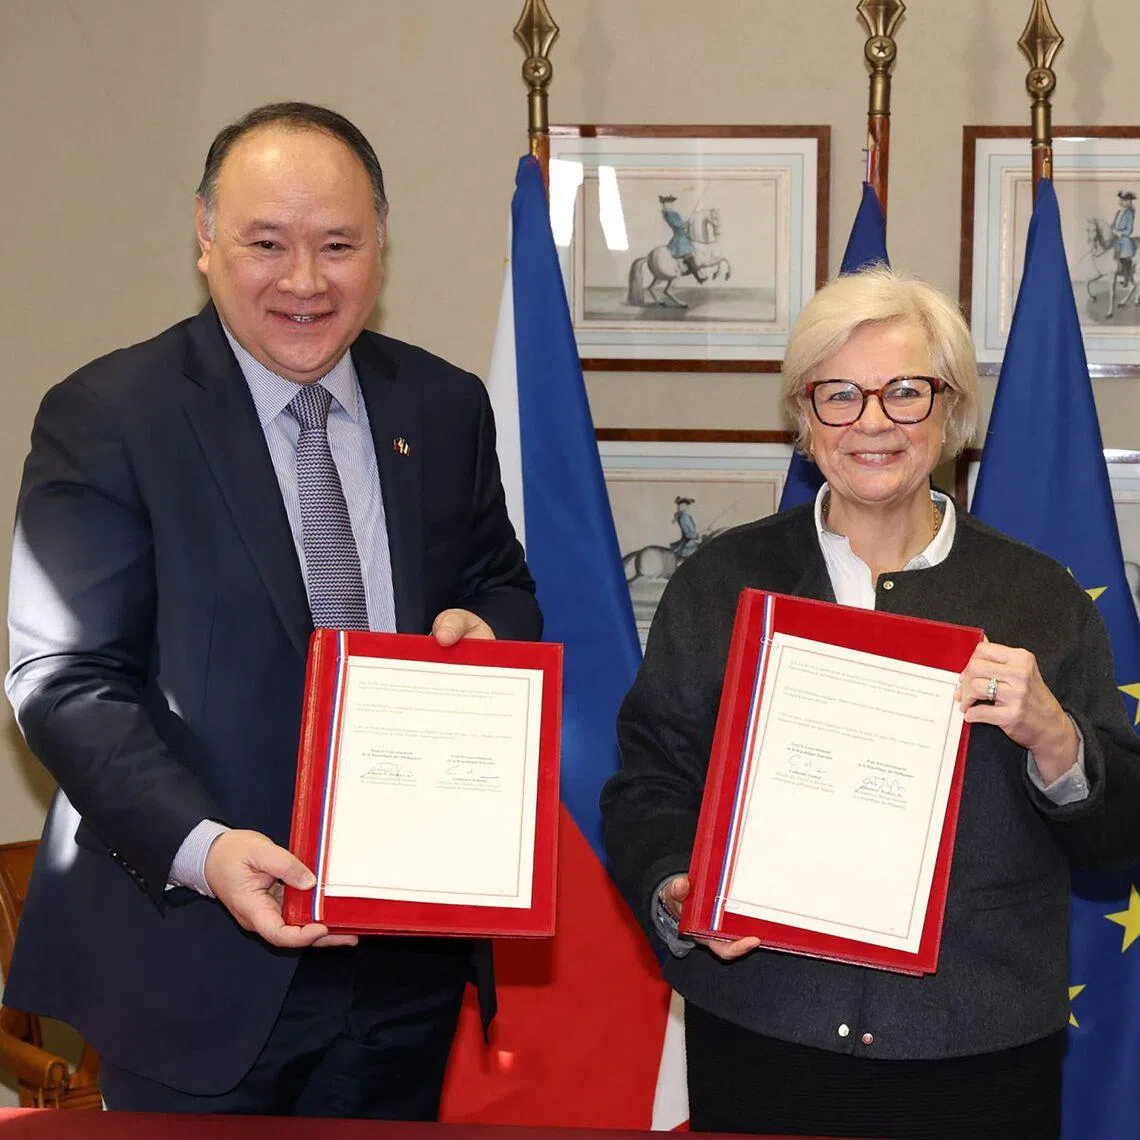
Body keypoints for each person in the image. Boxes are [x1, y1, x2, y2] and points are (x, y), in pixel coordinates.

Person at [4, 102, 541, 1118]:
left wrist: (489, 634)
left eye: (338, 245)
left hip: (401, 970)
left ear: (381, 244)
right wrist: (205, 849)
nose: (305, 281)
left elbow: (501, 585)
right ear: (205, 239)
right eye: (267, 244)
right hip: (191, 960)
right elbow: (63, 681)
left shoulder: (444, 405)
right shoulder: (109, 417)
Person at [600, 266, 1140, 1139]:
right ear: (805, 419)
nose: (874, 422)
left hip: (978, 1052)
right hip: (764, 1027)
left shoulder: (1040, 598)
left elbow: (1121, 835)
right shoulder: (723, 584)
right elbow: (647, 785)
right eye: (840, 395)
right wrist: (675, 887)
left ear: (953, 411)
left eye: (906, 393)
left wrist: (1057, 742)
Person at [659, 195, 705, 283]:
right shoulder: (668, 214)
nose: (672, 205)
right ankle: (699, 278)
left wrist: (690, 221)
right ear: (665, 205)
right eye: (669, 203)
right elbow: (679, 225)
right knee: (689, 256)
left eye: (672, 203)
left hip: (683, 236)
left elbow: (682, 224)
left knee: (693, 254)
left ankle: (697, 273)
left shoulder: (674, 213)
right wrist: (689, 222)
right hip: (679, 239)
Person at [1113, 189, 1137, 287]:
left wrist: (1120, 233)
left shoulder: (1129, 213)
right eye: (1121, 199)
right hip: (1116, 239)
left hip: (1125, 239)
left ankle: (1126, 279)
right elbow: (1113, 224)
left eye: (1123, 199)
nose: (1121, 201)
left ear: (1128, 202)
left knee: (1124, 258)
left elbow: (1129, 230)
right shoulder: (1119, 212)